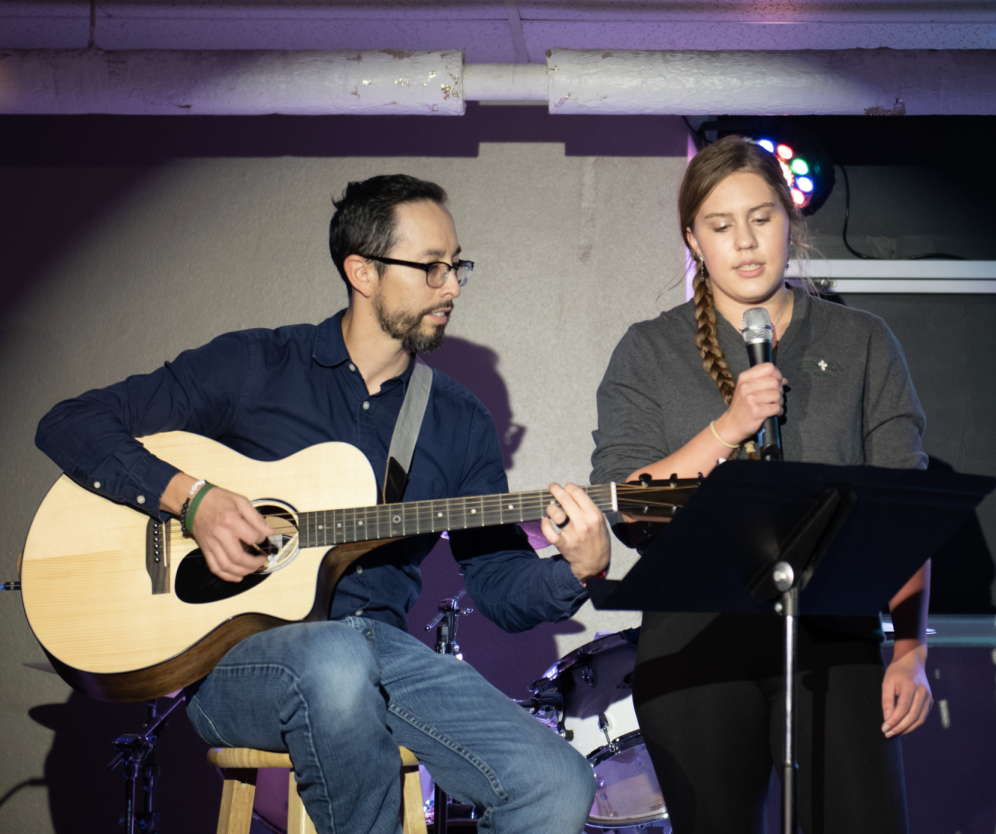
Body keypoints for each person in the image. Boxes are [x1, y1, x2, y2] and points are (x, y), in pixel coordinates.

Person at [35, 174, 611, 834]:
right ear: (361, 271)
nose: (452, 287)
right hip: (240, 663)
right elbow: (70, 423)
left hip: (385, 655)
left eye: (457, 267)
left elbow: (503, 588)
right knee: (336, 661)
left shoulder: (456, 421)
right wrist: (195, 502)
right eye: (431, 268)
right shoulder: (256, 365)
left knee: (558, 781)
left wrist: (577, 569)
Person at [589, 136, 932, 834]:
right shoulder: (648, 350)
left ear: (790, 221)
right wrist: (730, 425)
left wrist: (912, 650)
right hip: (695, 644)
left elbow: (907, 508)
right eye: (720, 226)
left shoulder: (862, 340)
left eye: (762, 218)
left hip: (833, 639)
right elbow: (625, 502)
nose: (745, 243)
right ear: (693, 239)